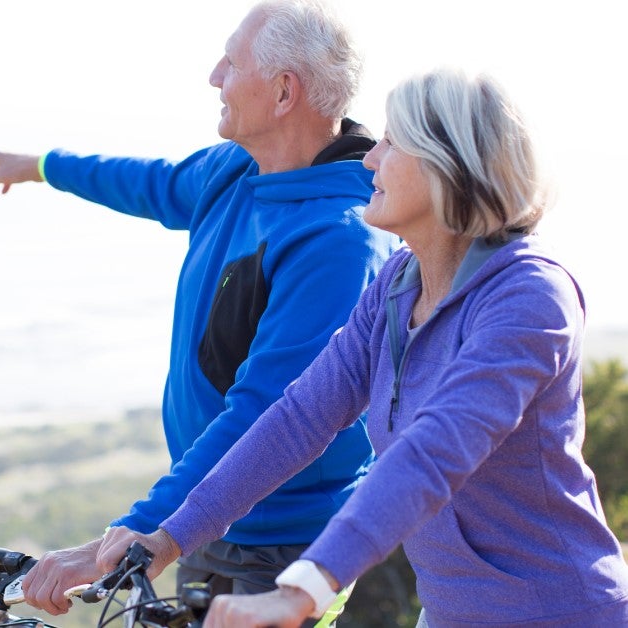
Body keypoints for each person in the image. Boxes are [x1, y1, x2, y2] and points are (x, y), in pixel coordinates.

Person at [100, 67, 628, 626]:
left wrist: (304, 588)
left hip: (559, 612)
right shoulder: (400, 283)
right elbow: (300, 419)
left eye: (392, 143)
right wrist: (172, 535)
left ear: (448, 164)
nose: (370, 159)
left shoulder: (529, 296)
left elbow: (435, 450)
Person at [0, 0, 399, 619]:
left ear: (283, 91)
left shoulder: (338, 243)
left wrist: (140, 530)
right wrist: (41, 167)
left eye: (232, 61)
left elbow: (268, 415)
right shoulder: (237, 170)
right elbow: (153, 183)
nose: (214, 76)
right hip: (204, 520)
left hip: (279, 547)